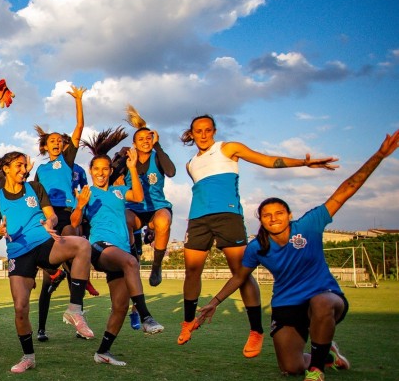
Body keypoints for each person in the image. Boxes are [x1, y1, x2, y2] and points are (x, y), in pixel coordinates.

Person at [198, 130, 398, 381]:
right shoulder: (257, 247)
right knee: (290, 368)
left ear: (289, 214)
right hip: (286, 305)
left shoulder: (309, 224)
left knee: (321, 302)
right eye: (266, 215)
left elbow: (346, 190)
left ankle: (316, 373)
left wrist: (380, 155)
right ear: (260, 220)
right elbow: (239, 277)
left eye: (278, 213)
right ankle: (326, 356)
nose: (273, 218)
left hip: (325, 297)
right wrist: (213, 303)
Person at [178, 114, 338, 357]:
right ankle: (188, 322)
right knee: (191, 270)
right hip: (198, 219)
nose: (203, 135)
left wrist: (303, 164)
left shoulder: (228, 148)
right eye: (198, 131)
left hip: (227, 217)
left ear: (214, 131)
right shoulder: (190, 164)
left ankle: (255, 330)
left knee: (240, 272)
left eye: (208, 130)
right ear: (191, 133)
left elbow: (266, 160)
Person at [0, 148, 94, 373]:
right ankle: (28, 357)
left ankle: (74, 310)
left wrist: (50, 223)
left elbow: (50, 214)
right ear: (7, 169)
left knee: (82, 245)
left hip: (44, 243)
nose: (24, 170)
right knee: (20, 309)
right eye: (19, 166)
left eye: (24, 165)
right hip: (19, 254)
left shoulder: (35, 188)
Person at [70, 146, 165, 367]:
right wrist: (80, 205)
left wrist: (132, 168)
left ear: (110, 170)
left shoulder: (118, 191)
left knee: (120, 307)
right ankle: (145, 316)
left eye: (105, 169)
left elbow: (139, 196)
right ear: (91, 171)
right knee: (132, 261)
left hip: (120, 251)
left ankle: (103, 351)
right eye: (97, 169)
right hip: (100, 247)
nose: (101, 173)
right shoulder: (87, 192)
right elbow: (75, 222)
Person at [33, 85, 87, 340]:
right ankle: (41, 329)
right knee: (47, 283)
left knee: (72, 236)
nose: (56, 142)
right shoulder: (40, 170)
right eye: (51, 140)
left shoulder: (67, 161)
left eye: (60, 140)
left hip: (66, 212)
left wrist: (78, 100)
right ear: (45, 146)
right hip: (48, 216)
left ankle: (78, 318)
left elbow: (79, 128)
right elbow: (32, 196)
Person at [122, 106, 176, 286]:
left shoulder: (158, 157)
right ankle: (132, 259)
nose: (145, 141)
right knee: (124, 219)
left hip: (157, 207)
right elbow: (110, 176)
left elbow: (171, 172)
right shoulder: (128, 158)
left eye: (149, 138)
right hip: (135, 209)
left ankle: (156, 266)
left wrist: (158, 146)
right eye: (141, 139)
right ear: (134, 143)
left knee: (162, 221)